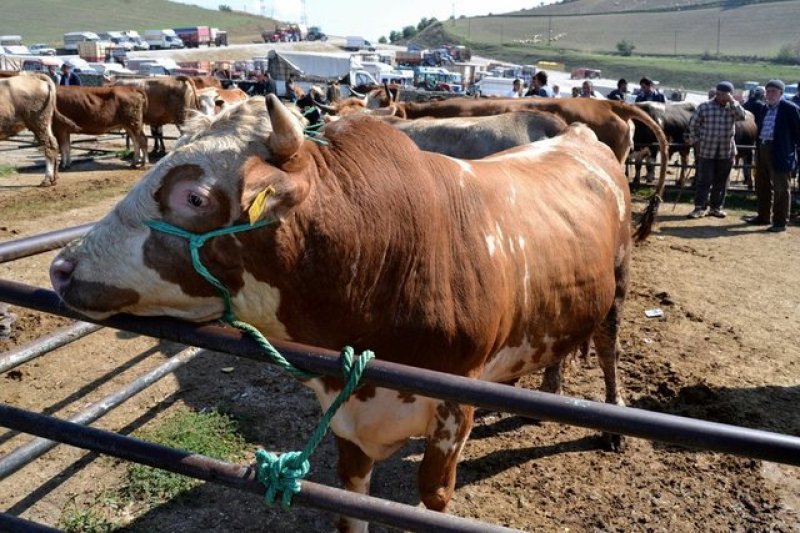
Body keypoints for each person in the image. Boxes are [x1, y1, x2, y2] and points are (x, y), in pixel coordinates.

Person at [685, 81, 745, 219]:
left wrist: (733, 101)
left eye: (724, 95)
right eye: (719, 94)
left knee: (722, 181)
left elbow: (742, 117)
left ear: (730, 95)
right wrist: (696, 141)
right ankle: (699, 208)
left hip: (726, 150)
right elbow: (693, 125)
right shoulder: (704, 106)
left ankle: (716, 208)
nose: (721, 97)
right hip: (707, 150)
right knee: (703, 180)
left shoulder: (733, 108)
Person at [746, 79, 800, 232]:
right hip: (762, 149)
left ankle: (780, 222)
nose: (770, 94)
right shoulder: (764, 108)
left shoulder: (790, 108)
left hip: (781, 151)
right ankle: (763, 216)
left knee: (781, 188)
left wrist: (791, 150)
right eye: (768, 91)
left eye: (773, 91)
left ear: (781, 93)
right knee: (761, 184)